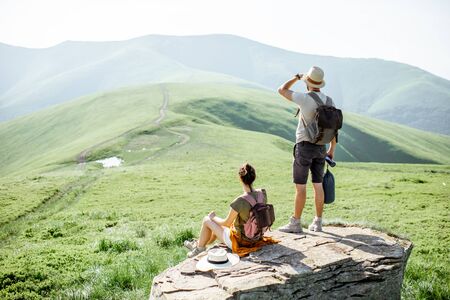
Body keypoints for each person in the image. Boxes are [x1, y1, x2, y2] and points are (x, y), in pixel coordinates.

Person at [277, 66, 336, 233]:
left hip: (304, 146)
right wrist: (332, 148)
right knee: (318, 185)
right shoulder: (329, 101)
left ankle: (295, 223)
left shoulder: (304, 98)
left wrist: (297, 77)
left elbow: (281, 90)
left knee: (300, 186)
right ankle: (317, 222)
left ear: (308, 82)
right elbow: (333, 126)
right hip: (321, 147)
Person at [184, 163, 278, 257]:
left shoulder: (240, 201)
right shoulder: (262, 193)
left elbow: (226, 223)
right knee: (217, 226)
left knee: (207, 220)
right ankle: (198, 244)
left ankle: (199, 249)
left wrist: (213, 217)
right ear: (254, 177)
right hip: (257, 236)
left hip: (241, 242)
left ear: (240, 178)